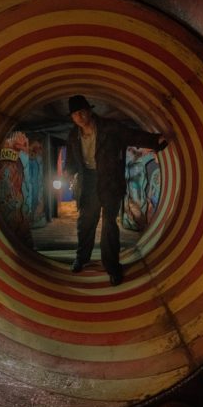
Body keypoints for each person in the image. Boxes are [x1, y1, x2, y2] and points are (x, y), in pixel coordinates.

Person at [65, 95, 168, 286]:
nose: (79, 117)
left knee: (109, 225)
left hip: (110, 180)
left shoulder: (109, 127)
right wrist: (68, 173)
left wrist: (156, 140)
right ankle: (82, 258)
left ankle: (112, 267)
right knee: (86, 221)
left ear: (89, 111)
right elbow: (71, 160)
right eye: (75, 114)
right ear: (72, 118)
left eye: (81, 112)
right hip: (88, 181)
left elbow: (132, 135)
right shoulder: (73, 135)